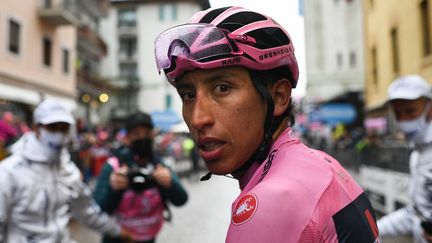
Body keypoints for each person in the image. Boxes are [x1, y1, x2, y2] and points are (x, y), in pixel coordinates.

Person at [154, 6, 380, 242]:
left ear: (278, 96)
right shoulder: (321, 164)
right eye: (188, 95)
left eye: (222, 88)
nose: (199, 119)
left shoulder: (271, 204)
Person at [0, 99, 131, 242]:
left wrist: (116, 231)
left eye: (64, 128)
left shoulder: (69, 170)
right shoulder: (9, 171)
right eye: (52, 127)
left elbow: (86, 210)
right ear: (36, 128)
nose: (59, 133)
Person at [93, 112, 188, 243]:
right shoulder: (113, 166)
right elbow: (96, 209)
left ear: (153, 135)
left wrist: (170, 183)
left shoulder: (159, 166)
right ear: (127, 138)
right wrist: (113, 189)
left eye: (147, 133)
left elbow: (181, 199)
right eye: (136, 134)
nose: (142, 138)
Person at [378, 74, 432, 243]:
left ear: (430, 107)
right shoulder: (417, 152)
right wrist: (370, 230)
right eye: (398, 113)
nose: (403, 119)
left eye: (410, 111)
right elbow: (417, 214)